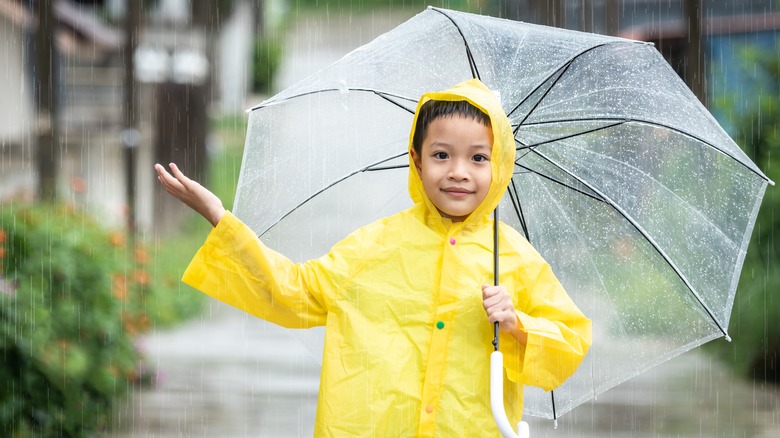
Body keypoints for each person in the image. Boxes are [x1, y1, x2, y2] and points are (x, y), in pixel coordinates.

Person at [155, 78, 591, 437]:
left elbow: (570, 341)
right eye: (442, 155)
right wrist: (219, 217)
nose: (459, 171)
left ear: (499, 166)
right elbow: (294, 292)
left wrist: (517, 324)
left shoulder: (514, 258)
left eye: (478, 158)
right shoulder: (374, 247)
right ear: (417, 161)